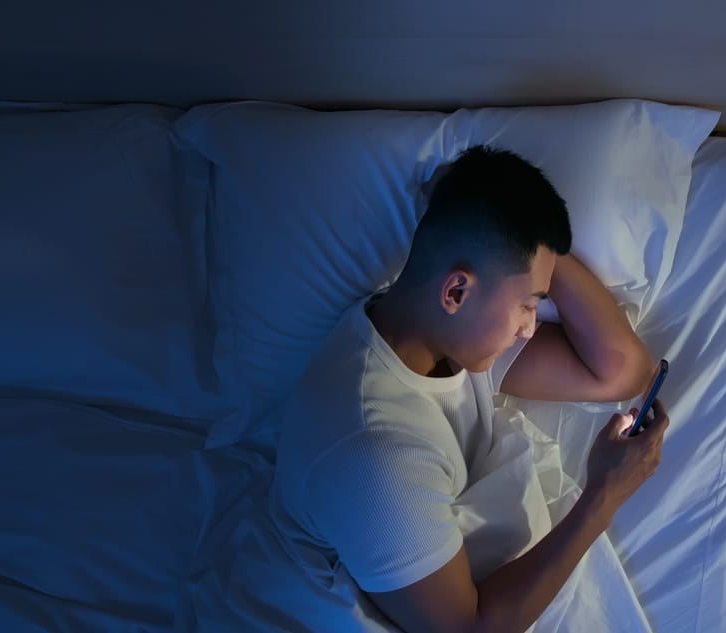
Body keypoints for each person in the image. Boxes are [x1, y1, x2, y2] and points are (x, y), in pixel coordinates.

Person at [272, 145, 669, 632]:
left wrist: (525, 239)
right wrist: (603, 496)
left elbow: (622, 371)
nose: (530, 326)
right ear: (456, 291)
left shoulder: (438, 328)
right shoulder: (375, 450)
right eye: (529, 305)